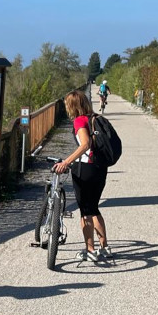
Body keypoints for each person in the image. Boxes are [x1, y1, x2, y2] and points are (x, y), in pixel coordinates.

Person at [52, 89, 111, 262]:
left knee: (85, 211)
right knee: (94, 208)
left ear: (71, 106)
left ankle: (90, 250)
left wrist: (66, 162)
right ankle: (104, 247)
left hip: (85, 169)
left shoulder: (80, 120)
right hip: (100, 167)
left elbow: (85, 144)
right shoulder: (96, 118)